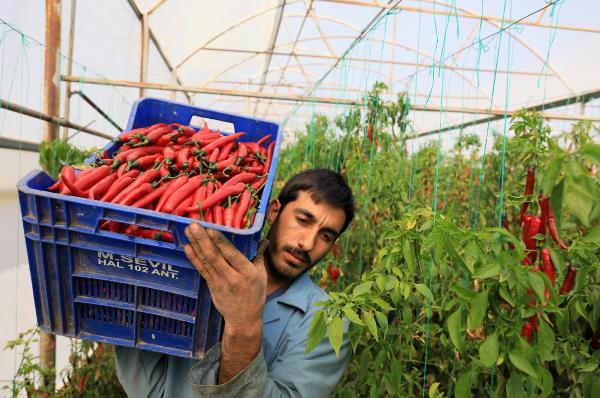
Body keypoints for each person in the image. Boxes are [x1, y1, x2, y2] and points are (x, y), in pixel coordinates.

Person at [115, 168, 356, 397]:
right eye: (303, 220)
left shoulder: (325, 320)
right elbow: (144, 385)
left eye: (325, 236)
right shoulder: (204, 266)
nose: (307, 243)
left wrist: (244, 326)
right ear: (274, 212)